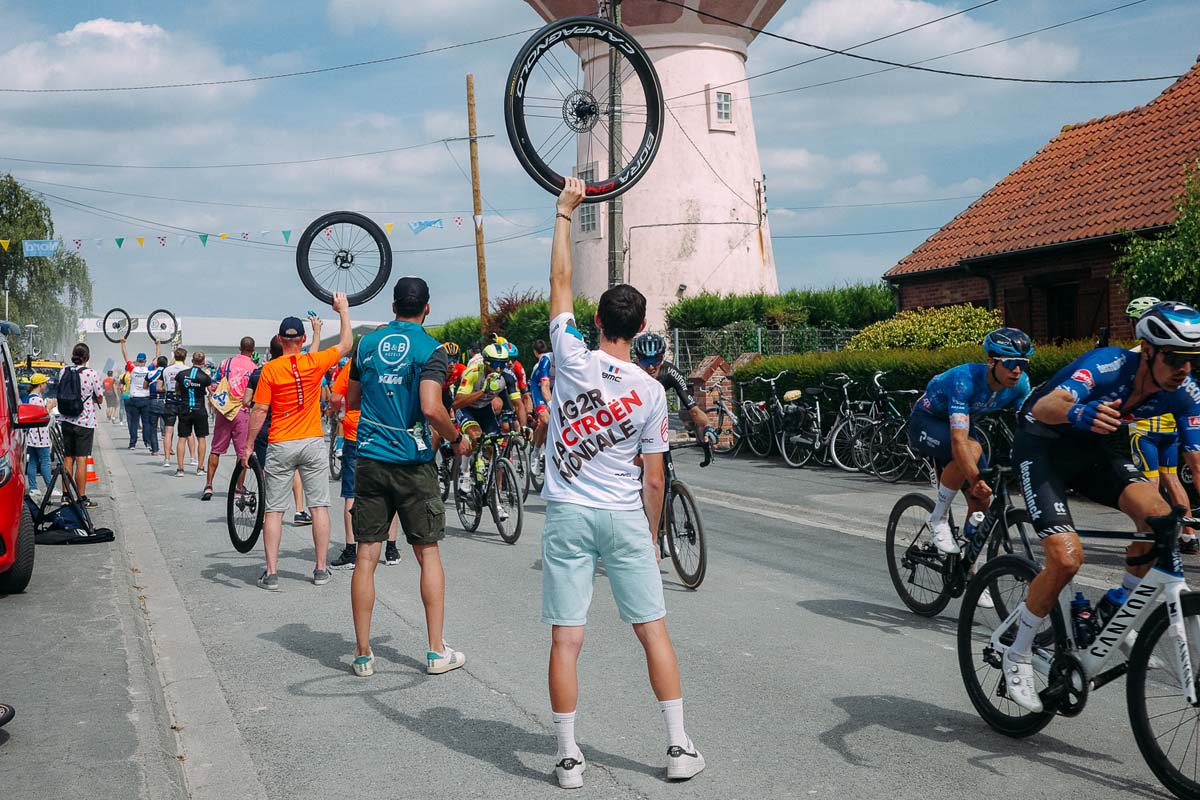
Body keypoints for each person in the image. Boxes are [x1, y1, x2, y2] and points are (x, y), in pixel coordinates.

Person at [541, 178, 703, 788]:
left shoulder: (569, 356)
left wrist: (563, 214)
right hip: (623, 516)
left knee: (567, 638)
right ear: (639, 330)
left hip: (567, 514)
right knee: (651, 631)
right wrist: (653, 535)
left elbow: (559, 283)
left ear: (598, 320)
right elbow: (655, 478)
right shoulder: (652, 390)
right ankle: (679, 746)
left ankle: (567, 757)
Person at [1005, 301, 1200, 713]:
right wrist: (1078, 410)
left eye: (1192, 359)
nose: (1184, 368)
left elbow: (1197, 463)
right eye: (1174, 357)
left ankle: (1117, 604)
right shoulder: (1109, 363)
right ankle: (1017, 651)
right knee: (1066, 559)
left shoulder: (1185, 393)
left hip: (1091, 449)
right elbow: (1044, 406)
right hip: (1041, 445)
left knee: (1163, 518)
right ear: (1147, 349)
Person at [345, 276, 471, 678]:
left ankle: (363, 655)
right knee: (427, 552)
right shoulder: (430, 350)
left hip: (369, 456)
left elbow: (349, 400)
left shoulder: (366, 345)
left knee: (366, 555)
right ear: (427, 309)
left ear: (393, 306)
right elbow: (432, 407)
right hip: (413, 460)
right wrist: (456, 438)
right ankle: (436, 651)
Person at [241, 295, 352, 590]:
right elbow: (345, 344)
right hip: (312, 441)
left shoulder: (270, 370)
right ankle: (319, 569)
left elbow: (260, 410)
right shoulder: (314, 361)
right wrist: (343, 312)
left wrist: (249, 444)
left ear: (279, 339)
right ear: (302, 339)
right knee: (319, 507)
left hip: (281, 442)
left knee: (274, 510)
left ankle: (272, 573)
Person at [908, 328, 1034, 554]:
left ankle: (969, 571)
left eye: (1023, 364)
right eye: (1010, 363)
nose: (1017, 370)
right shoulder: (963, 380)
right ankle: (938, 517)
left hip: (961, 424)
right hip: (926, 421)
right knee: (973, 449)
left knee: (982, 503)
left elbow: (1029, 428)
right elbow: (959, 440)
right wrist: (974, 479)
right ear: (991, 362)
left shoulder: (1021, 384)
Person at [1123, 297, 1199, 554]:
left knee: (1149, 486)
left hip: (1145, 431)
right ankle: (1189, 536)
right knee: (1174, 481)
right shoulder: (1176, 354)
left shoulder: (1138, 355)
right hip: (1171, 431)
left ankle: (1149, 541)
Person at [327, 345, 401, 571]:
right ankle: (391, 548)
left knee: (351, 492)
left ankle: (351, 550)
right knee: (390, 491)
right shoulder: (397, 363)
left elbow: (336, 396)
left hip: (356, 430)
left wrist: (338, 412)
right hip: (389, 431)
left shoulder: (355, 363)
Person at [242, 336, 309, 514]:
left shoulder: (259, 372)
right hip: (288, 425)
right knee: (294, 468)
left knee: (266, 470)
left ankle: (267, 511)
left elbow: (246, 400)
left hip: (264, 427)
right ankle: (299, 510)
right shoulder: (296, 370)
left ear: (270, 352)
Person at [452, 342, 527, 499]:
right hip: (467, 408)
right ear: (486, 363)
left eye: (503, 364)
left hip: (485, 409)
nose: (499, 369)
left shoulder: (507, 376)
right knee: (476, 435)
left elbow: (518, 404)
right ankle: (464, 475)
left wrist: (525, 427)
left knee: (494, 444)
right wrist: (483, 391)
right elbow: (457, 402)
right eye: (494, 364)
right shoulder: (472, 372)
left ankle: (493, 489)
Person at [631, 333, 715, 447]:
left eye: (655, 360)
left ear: (662, 359)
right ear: (637, 360)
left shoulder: (670, 372)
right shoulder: (630, 373)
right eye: (645, 361)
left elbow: (693, 410)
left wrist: (707, 428)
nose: (650, 367)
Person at [204, 338, 256, 498]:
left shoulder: (226, 363)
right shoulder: (254, 368)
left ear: (240, 347)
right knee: (242, 452)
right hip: (242, 411)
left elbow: (214, 385)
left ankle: (208, 485)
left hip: (224, 410)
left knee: (216, 449)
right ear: (253, 350)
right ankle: (238, 488)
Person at [58, 342, 104, 509]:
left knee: (67, 457)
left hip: (66, 419)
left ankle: (65, 495)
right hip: (85, 421)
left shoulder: (64, 371)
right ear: (87, 357)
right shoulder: (92, 374)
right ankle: (81, 496)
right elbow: (99, 397)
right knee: (82, 458)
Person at [174, 352, 213, 478]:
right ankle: (200, 468)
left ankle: (180, 469)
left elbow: (177, 390)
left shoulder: (181, 375)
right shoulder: (205, 377)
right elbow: (211, 392)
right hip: (199, 409)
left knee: (182, 438)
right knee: (201, 438)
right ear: (203, 361)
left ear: (192, 360)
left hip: (185, 408)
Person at [120, 338, 160, 452]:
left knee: (134, 422)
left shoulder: (132, 369)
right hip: (146, 399)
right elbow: (157, 358)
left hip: (134, 399)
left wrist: (123, 343)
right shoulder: (149, 370)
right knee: (146, 422)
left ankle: (132, 443)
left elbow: (125, 355)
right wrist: (158, 345)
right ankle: (147, 443)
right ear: (145, 361)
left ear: (137, 361)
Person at [23, 373, 54, 498]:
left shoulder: (30, 397)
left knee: (33, 462)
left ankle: (33, 488)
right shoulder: (37, 399)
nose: (46, 385)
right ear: (40, 385)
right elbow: (43, 415)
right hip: (40, 436)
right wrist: (50, 407)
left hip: (32, 436)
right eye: (45, 383)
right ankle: (50, 487)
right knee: (45, 461)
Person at [161, 348, 189, 468]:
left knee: (168, 431)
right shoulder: (187, 369)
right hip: (183, 401)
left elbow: (162, 386)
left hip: (170, 401)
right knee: (186, 433)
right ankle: (192, 458)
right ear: (185, 357)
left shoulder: (166, 370)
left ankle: (167, 459)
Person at [529, 338, 554, 448]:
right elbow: (544, 387)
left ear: (535, 352)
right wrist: (551, 405)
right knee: (546, 420)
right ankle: (536, 452)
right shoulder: (545, 360)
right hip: (539, 388)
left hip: (553, 387)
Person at [145, 355, 169, 457]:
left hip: (153, 401)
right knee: (168, 427)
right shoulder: (168, 372)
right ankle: (169, 448)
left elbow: (144, 386)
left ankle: (155, 450)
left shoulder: (150, 373)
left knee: (153, 427)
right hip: (165, 401)